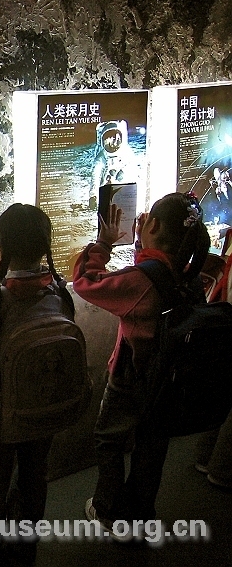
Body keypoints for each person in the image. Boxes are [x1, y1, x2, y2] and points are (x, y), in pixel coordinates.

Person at [73, 192, 209, 536]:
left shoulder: (141, 280)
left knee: (108, 439)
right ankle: (140, 512)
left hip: (131, 378)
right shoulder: (189, 273)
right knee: (152, 447)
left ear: (154, 224)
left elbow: (86, 281)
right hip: (169, 380)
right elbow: (151, 274)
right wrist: (141, 243)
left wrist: (103, 244)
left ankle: (107, 509)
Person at [0, 204, 65, 566]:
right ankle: (25, 546)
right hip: (43, 399)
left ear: (1, 244)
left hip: (2, 404)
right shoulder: (59, 291)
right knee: (34, 475)